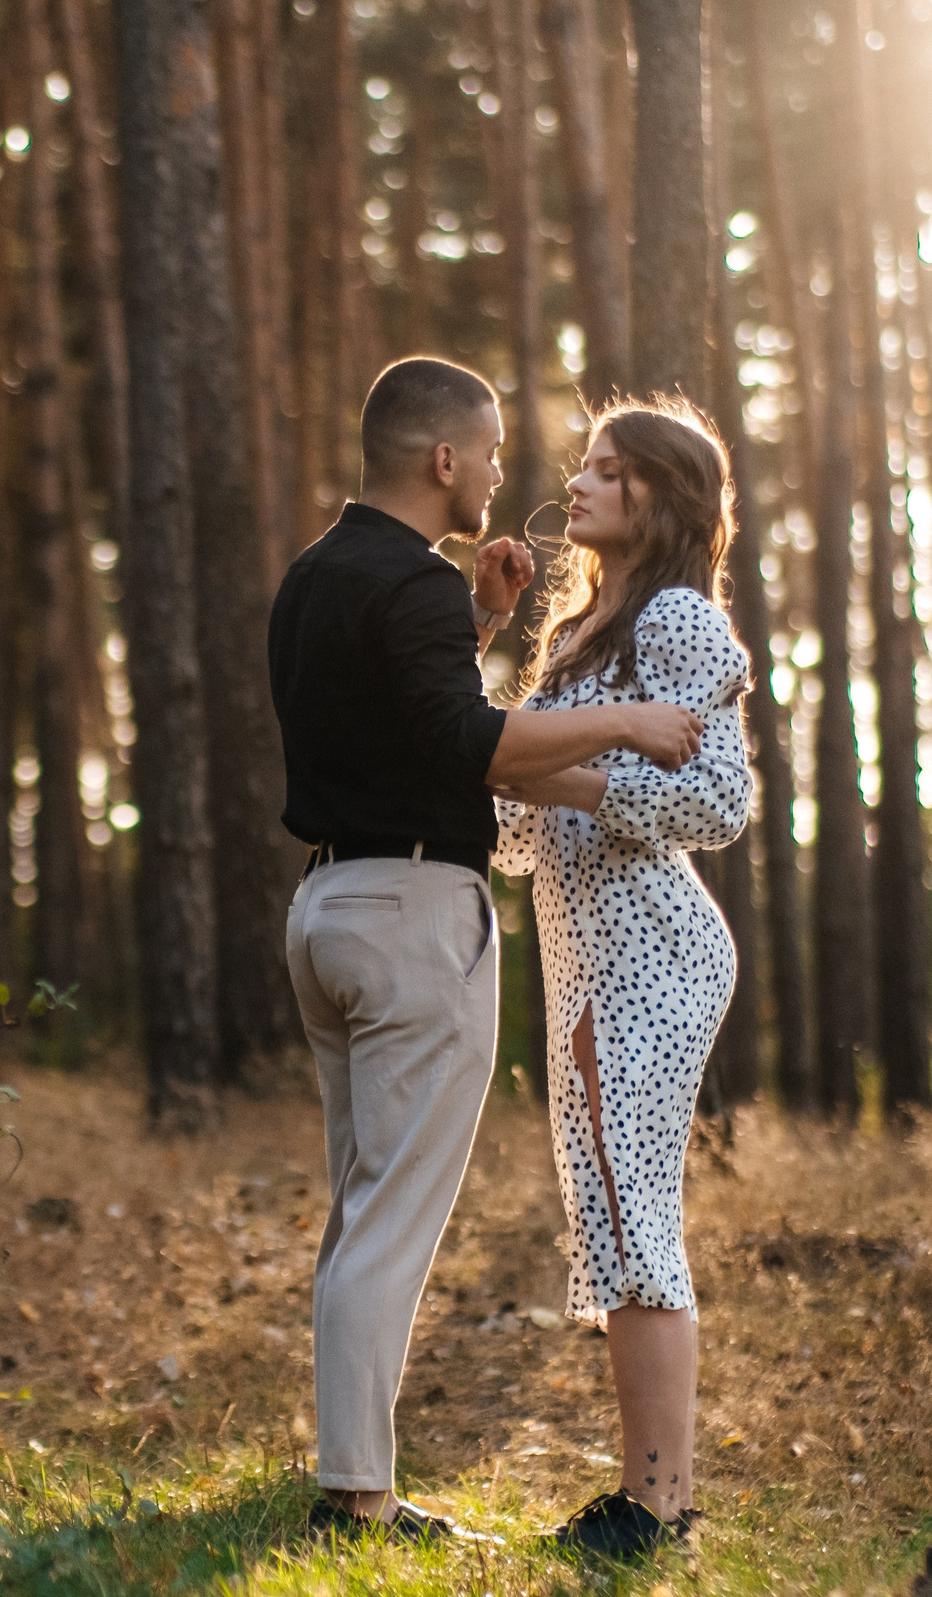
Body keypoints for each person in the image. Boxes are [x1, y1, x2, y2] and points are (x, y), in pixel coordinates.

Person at [268, 358, 705, 1542]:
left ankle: (346, 1471)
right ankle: (355, 1496)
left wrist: (475, 625)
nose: (513, 475)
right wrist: (624, 719)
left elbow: (387, 718)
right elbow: (459, 738)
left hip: (322, 907)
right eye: (498, 452)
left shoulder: (313, 576)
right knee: (392, 1215)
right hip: (412, 915)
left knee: (363, 1206)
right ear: (444, 460)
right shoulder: (407, 578)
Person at [491, 396, 754, 1558]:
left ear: (663, 496)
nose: (580, 483)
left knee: (633, 1213)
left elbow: (722, 801)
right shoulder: (573, 640)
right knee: (606, 1214)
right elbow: (507, 830)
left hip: (656, 944)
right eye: (584, 464)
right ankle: (647, 1492)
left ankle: (657, 1503)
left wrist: (583, 782)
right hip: (577, 945)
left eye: (611, 468)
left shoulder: (683, 625)